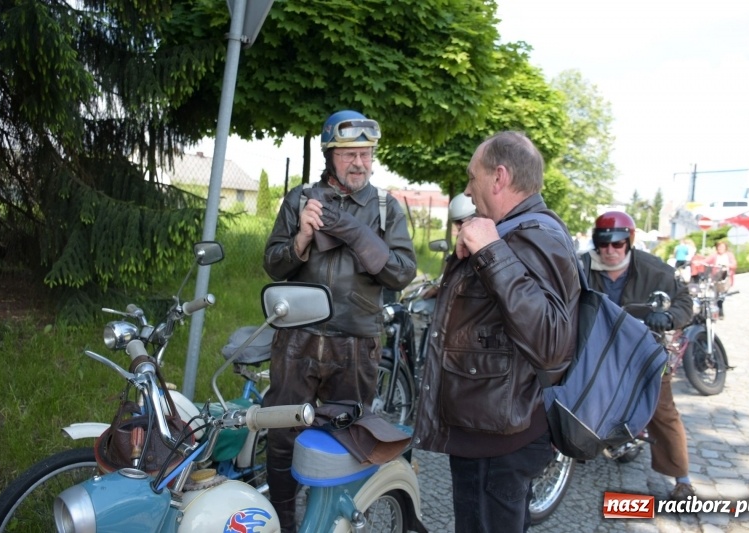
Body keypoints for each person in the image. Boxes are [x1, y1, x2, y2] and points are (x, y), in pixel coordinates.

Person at [413, 131, 581, 532]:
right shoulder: (508, 231)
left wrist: (492, 252)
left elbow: (553, 343)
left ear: (499, 177)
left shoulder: (536, 236)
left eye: (473, 178)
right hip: (487, 432)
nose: (469, 191)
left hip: (499, 443)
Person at [262, 110, 417, 532]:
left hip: (356, 345)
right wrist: (302, 239)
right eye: (350, 154)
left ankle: (332, 523)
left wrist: (361, 237)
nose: (360, 163)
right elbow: (273, 265)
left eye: (367, 154)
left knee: (346, 442)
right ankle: (284, 523)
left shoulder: (386, 209)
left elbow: (402, 272)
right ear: (330, 155)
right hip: (297, 342)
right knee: (281, 440)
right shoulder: (299, 200)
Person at [579, 210, 695, 501]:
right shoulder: (580, 265)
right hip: (594, 348)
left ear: (629, 241)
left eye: (617, 244)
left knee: (662, 410)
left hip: (643, 351)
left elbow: (685, 301)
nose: (609, 251)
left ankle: (682, 478)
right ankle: (567, 447)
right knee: (566, 393)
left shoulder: (653, 268)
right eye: (603, 244)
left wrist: (668, 318)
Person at [705, 240, 737, 318]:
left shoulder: (729, 255)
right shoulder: (714, 255)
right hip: (716, 278)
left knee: (722, 295)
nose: (720, 248)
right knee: (716, 295)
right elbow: (706, 261)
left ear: (725, 248)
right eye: (719, 247)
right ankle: (717, 311)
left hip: (726, 278)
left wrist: (727, 265)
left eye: (722, 247)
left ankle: (720, 309)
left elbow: (734, 264)